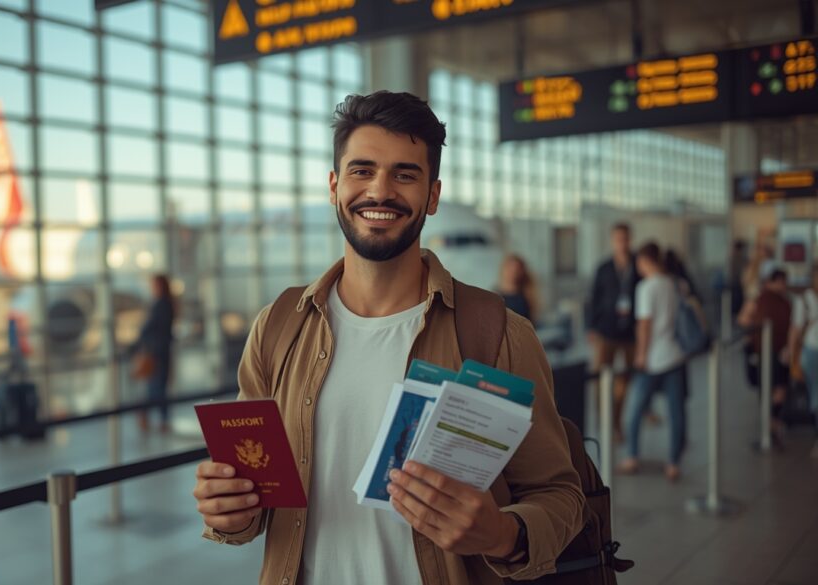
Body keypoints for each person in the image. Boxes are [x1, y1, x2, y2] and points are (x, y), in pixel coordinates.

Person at [193, 91, 583, 584]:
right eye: (361, 171)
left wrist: (501, 535)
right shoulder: (277, 327)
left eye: (405, 174)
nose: (380, 191)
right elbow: (255, 499)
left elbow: (561, 495)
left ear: (432, 196)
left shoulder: (497, 333)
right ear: (334, 186)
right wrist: (232, 513)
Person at [618, 243, 687, 482]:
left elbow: (644, 324)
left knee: (634, 410)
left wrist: (640, 355)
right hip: (675, 355)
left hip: (653, 359)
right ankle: (673, 464)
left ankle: (632, 456)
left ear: (644, 261)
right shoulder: (673, 283)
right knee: (676, 411)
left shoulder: (646, 287)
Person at [589, 223, 640, 441]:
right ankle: (604, 422)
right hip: (605, 331)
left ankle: (617, 423)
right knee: (599, 380)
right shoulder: (604, 268)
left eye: (625, 238)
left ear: (630, 239)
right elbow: (593, 299)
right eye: (618, 239)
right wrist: (590, 327)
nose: (622, 243)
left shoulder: (638, 266)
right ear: (612, 240)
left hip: (630, 333)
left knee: (624, 381)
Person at [738, 269, 792, 447]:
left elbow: (743, 320)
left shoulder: (775, 300)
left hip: (774, 351)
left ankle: (771, 423)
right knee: (773, 387)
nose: (783, 286)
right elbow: (743, 319)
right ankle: (771, 424)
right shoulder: (769, 300)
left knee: (775, 388)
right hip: (769, 350)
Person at [130, 274, 175, 433]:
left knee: (155, 387)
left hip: (156, 353)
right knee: (158, 387)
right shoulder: (168, 304)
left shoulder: (160, 305)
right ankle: (161, 419)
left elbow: (149, 328)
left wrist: (135, 345)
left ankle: (153, 417)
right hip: (162, 351)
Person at [788, 268, 818, 456]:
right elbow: (796, 330)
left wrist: (792, 355)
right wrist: (792, 356)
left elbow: (796, 330)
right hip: (811, 351)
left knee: (816, 394)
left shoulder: (803, 300)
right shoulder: (804, 300)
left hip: (810, 351)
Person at [496, 253, 538, 323]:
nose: (512, 272)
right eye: (510, 268)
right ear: (503, 269)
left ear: (522, 272)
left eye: (516, 269)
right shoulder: (495, 296)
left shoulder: (527, 295)